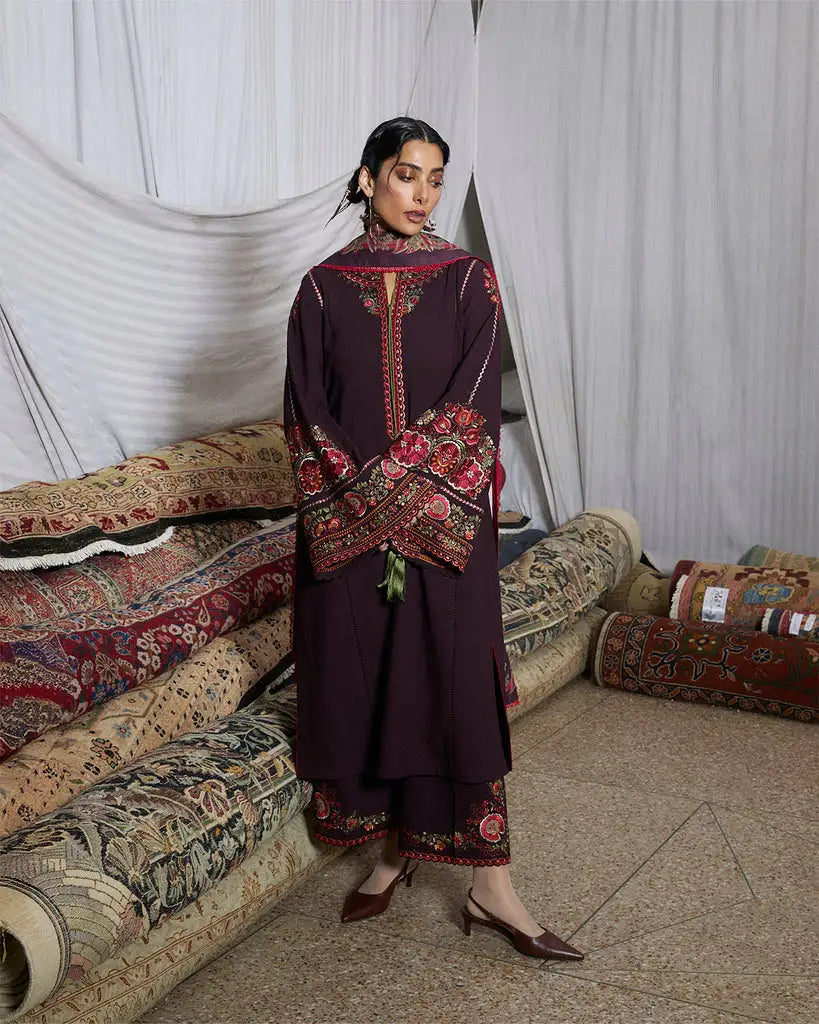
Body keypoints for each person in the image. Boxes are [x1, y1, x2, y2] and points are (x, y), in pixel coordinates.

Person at [282, 116, 582, 961]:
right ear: (369, 178)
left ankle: (492, 888)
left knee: (451, 689)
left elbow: (474, 399)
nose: (423, 194)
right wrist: (366, 504)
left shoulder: (465, 281)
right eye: (407, 174)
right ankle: (394, 852)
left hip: (444, 530)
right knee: (375, 679)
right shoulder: (320, 288)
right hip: (347, 527)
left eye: (436, 178)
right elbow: (305, 412)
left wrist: (397, 499)